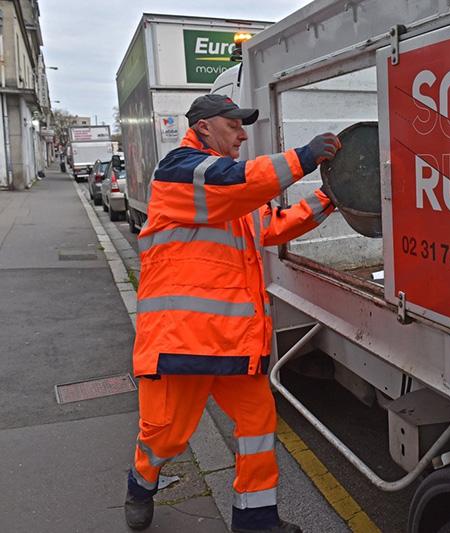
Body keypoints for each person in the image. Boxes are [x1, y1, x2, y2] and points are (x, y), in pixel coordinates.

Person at [124, 93, 341, 533]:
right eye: (233, 125)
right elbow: (237, 181)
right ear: (204, 126)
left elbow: (273, 224)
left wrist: (330, 195)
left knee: (258, 428)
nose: (243, 134)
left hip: (236, 343)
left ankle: (255, 522)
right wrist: (304, 157)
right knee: (164, 435)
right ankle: (140, 483)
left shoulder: (228, 194)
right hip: (181, 343)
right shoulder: (179, 170)